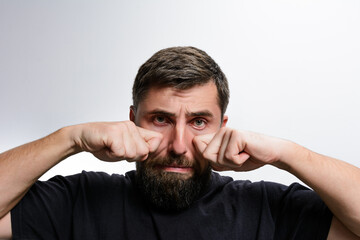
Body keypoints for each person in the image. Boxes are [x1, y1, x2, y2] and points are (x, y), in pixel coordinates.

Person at [0, 47, 359, 240]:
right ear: (132, 120)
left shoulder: (268, 207)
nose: (178, 145)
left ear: (223, 126)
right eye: (161, 119)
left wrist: (286, 154)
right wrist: (69, 138)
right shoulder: (78, 201)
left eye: (199, 122)